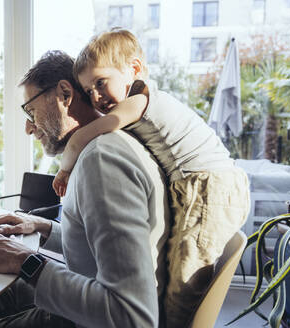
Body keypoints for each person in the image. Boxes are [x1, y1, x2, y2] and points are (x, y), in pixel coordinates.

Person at [0, 50, 170, 328]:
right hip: (83, 303)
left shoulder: (102, 162)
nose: (29, 128)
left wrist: (25, 261)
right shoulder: (101, 148)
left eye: (31, 111)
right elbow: (93, 248)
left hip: (82, 320)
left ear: (65, 94)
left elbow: (132, 318)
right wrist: (41, 227)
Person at [52, 29, 251, 327]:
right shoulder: (144, 102)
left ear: (133, 70)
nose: (95, 96)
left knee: (185, 283)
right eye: (88, 90)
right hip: (207, 184)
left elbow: (82, 138)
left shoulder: (139, 100)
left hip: (209, 187)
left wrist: (65, 168)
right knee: (180, 272)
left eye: (100, 82)